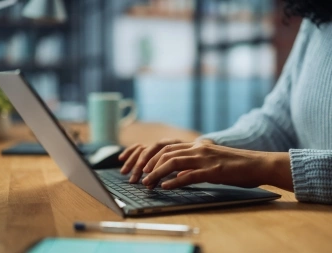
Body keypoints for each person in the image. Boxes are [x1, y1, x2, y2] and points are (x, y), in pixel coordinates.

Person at [118, 0, 332, 204]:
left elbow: (268, 154)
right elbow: (277, 121)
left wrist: (264, 166)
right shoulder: (317, 16)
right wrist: (206, 148)